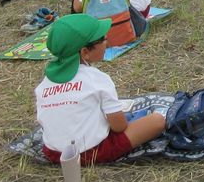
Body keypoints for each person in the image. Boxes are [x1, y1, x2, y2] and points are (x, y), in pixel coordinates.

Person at [35, 14, 166, 166]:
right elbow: (119, 127)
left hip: (54, 153)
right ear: (85, 52)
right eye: (102, 39)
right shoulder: (97, 79)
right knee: (157, 121)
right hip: (91, 152)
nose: (107, 41)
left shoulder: (45, 83)